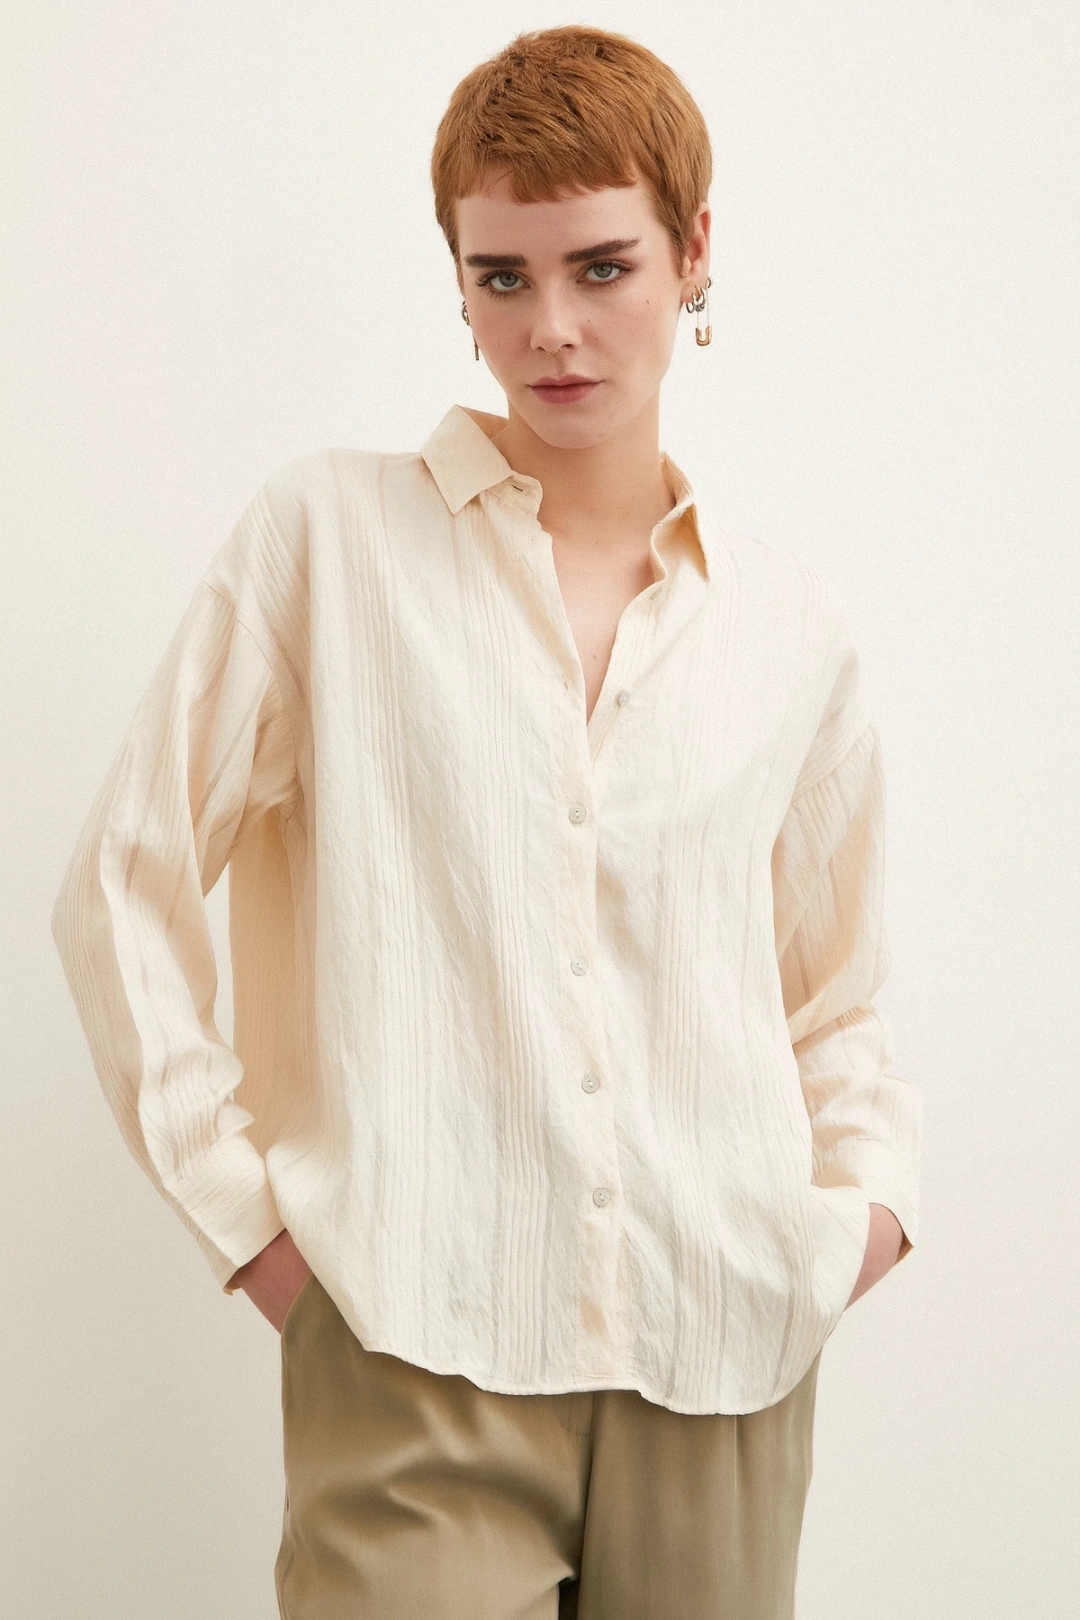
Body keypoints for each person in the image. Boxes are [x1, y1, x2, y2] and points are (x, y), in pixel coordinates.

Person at [51, 24, 920, 1620]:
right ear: (457, 280)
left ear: (695, 251)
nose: (553, 329)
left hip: (723, 1355)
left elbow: (836, 992)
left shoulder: (789, 627)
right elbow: (122, 883)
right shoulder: (330, 542)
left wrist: (857, 1215)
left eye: (603, 267)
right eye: (502, 277)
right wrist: (254, 1231)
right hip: (414, 1346)